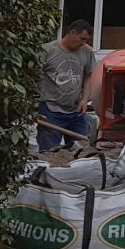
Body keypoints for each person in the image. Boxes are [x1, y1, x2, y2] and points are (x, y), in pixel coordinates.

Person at [36, 20, 98, 151]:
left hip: (76, 111)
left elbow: (88, 76)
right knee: (49, 153)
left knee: (82, 151)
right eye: (82, 39)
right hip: (51, 110)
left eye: (86, 40)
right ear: (72, 32)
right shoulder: (48, 50)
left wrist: (85, 100)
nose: (84, 43)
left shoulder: (87, 52)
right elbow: (34, 75)